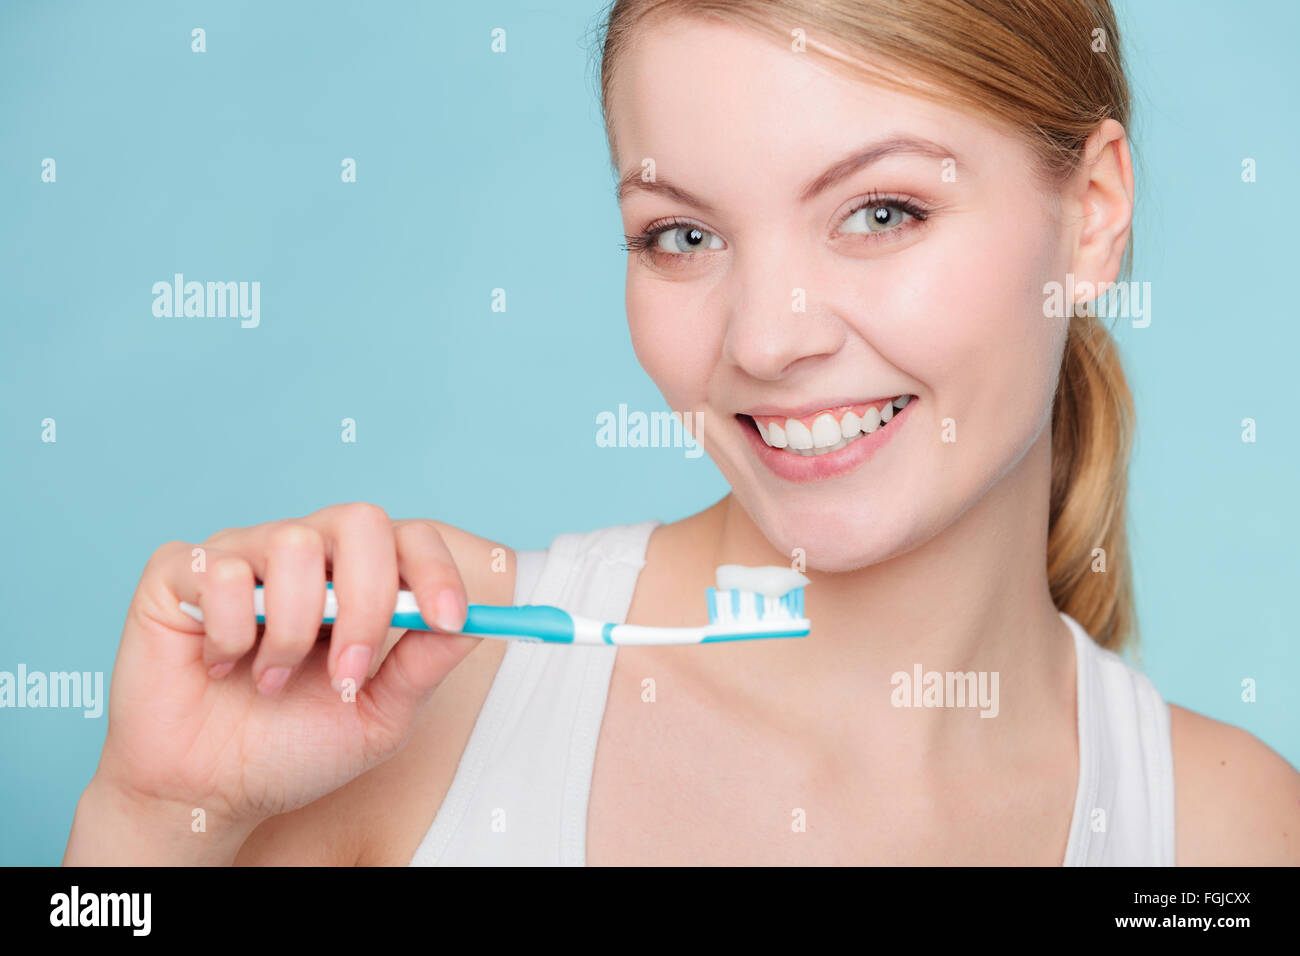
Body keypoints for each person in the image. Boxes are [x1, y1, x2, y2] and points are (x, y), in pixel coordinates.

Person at [65, 0, 1300, 865]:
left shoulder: (1224, 829)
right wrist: (148, 820)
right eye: (682, 235)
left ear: (1090, 216)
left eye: (881, 210)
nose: (764, 339)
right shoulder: (420, 691)